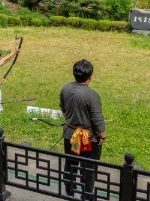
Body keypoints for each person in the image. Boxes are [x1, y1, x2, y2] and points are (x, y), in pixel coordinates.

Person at [59, 59, 106, 201]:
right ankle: (87, 196)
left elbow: (64, 109)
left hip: (70, 134)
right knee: (88, 169)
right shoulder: (92, 95)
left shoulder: (65, 88)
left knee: (71, 164)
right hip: (87, 137)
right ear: (90, 77)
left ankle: (69, 192)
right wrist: (102, 134)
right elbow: (97, 119)